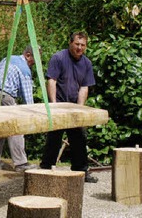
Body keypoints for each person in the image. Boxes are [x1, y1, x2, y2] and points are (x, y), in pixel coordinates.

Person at [39, 32, 98, 183]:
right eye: (77, 44)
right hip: (58, 105)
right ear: (70, 43)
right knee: (54, 139)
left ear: (85, 46)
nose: (79, 47)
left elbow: (84, 87)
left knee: (79, 139)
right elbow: (51, 81)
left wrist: (80, 109)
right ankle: (46, 170)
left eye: (82, 45)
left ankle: (81, 171)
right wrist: (53, 105)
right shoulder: (58, 58)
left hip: (73, 108)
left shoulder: (87, 64)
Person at [0, 45, 38, 172]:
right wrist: (32, 112)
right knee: (16, 128)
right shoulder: (25, 69)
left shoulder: (9, 58)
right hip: (6, 96)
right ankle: (20, 163)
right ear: (28, 55)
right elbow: (27, 95)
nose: (35, 63)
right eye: (34, 59)